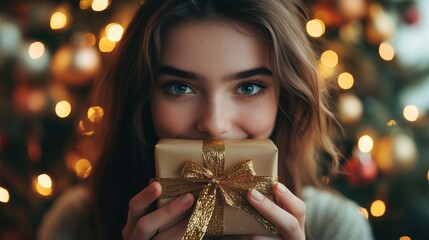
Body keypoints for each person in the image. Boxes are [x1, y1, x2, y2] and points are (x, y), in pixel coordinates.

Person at [38, 0, 374, 239]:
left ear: (284, 98)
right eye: (180, 87)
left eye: (249, 86)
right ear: (143, 99)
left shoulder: (336, 227)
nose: (214, 124)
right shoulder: (77, 222)